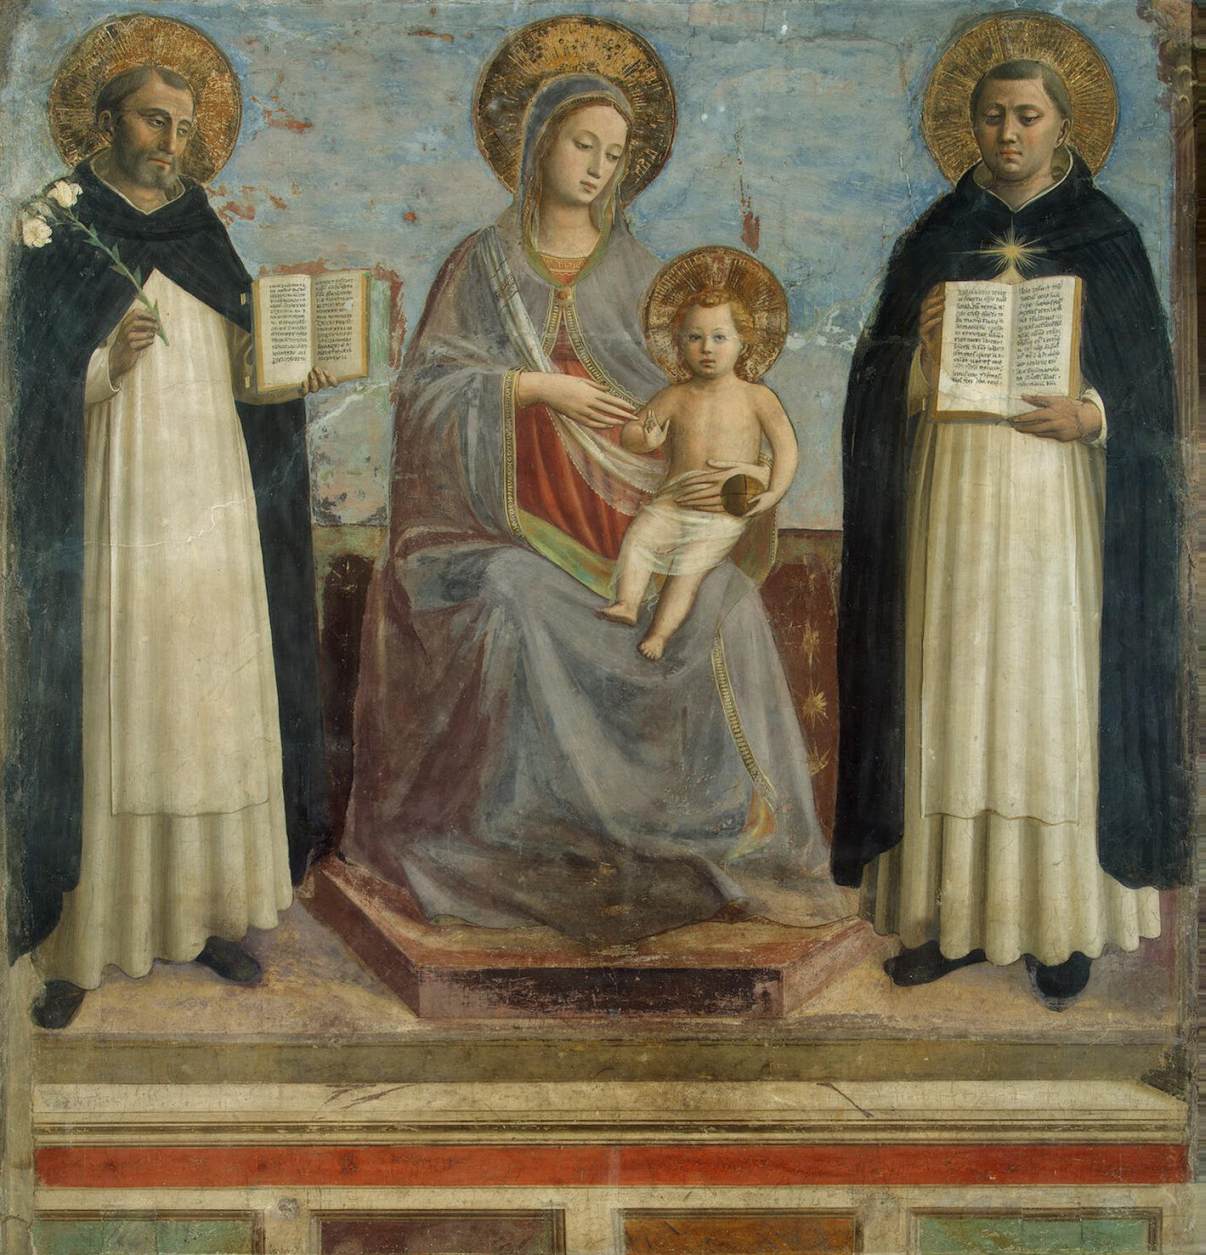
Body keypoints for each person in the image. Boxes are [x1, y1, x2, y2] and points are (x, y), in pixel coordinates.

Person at [343, 44, 852, 945]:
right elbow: (425, 397)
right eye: (583, 144)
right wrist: (530, 389)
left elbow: (696, 404)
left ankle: (713, 832)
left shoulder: (641, 275)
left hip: (632, 522)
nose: (597, 169)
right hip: (498, 530)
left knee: (727, 602)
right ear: (539, 142)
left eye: (614, 156)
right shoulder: (480, 266)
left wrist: (719, 479)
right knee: (511, 597)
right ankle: (516, 835)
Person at [833, 49, 1190, 1007]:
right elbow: (875, 383)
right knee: (950, 691)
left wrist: (1094, 415)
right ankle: (951, 919)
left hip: (1056, 505)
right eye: (993, 115)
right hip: (948, 502)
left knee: (1045, 696)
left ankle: (1056, 927)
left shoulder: (1104, 234)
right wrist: (919, 358)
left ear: (1063, 125)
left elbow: (1154, 391)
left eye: (1028, 115)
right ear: (971, 125)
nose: (1009, 133)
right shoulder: (936, 237)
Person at [7, 34, 330, 1028]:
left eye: (185, 128)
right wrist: (101, 363)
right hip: (116, 506)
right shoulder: (63, 231)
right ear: (105, 122)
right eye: (156, 121)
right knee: (120, 698)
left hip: (213, 508)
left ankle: (203, 919)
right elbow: (25, 388)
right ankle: (80, 943)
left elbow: (247, 375)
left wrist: (291, 371)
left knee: (205, 700)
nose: (172, 143)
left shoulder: (200, 229)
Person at [602, 283, 798, 661]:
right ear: (680, 343)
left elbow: (787, 449)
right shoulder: (674, 396)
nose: (707, 348)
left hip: (722, 512)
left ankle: (659, 634)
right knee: (640, 537)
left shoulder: (757, 397)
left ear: (743, 343)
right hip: (674, 502)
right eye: (695, 337)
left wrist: (773, 492)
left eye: (719, 337)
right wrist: (645, 438)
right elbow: (630, 434)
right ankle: (627, 603)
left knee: (687, 568)